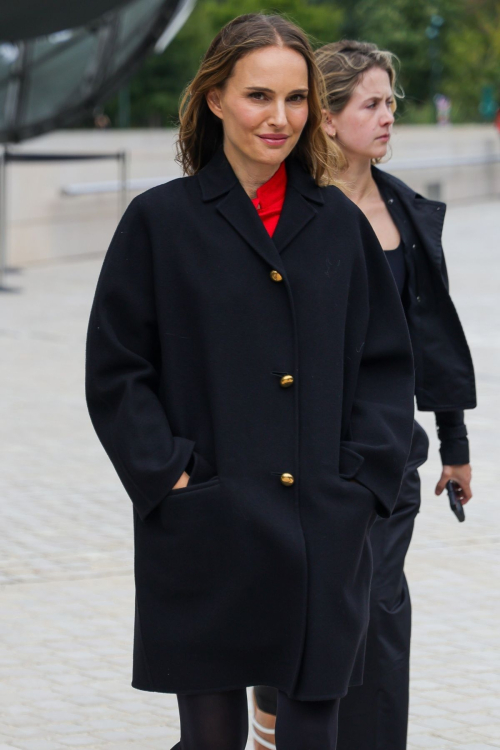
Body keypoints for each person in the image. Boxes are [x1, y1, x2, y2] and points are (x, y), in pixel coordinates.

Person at [85, 17, 415, 750]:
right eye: (258, 96)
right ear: (213, 99)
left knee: (311, 733)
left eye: (297, 99)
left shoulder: (338, 225)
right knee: (211, 740)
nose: (279, 118)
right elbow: (116, 369)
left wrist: (361, 486)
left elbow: (385, 368)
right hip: (207, 519)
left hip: (324, 526)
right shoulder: (159, 223)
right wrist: (166, 474)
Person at [252, 39, 476, 750]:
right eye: (371, 104)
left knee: (378, 614)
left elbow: (431, 338)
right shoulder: (277, 213)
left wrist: (455, 445)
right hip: (289, 463)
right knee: (298, 614)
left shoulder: (407, 216)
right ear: (328, 117)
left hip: (382, 463)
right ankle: (269, 718)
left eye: (391, 104)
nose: (387, 119)